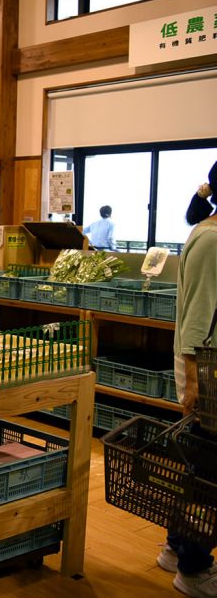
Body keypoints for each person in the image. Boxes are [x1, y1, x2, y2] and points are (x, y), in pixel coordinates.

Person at [157, 161, 217, 598]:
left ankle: (177, 551)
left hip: (208, 373)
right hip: (207, 377)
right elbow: (197, 320)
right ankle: (194, 571)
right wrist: (194, 389)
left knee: (200, 469)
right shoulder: (212, 240)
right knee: (208, 477)